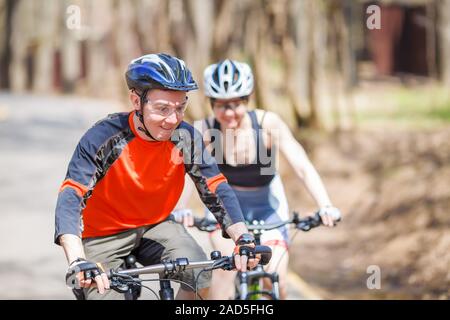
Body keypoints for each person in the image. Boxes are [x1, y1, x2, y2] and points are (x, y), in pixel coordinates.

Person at [54, 53, 260, 300]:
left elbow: (215, 186)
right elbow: (72, 195)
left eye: (181, 108)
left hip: (157, 224)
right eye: (162, 109)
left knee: (201, 272)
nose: (173, 120)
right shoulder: (102, 137)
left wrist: (243, 237)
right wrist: (76, 259)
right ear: (136, 101)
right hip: (103, 234)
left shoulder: (186, 137)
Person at [173, 59, 341, 299]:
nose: (229, 113)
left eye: (235, 104)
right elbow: (189, 175)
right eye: (221, 105)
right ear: (211, 104)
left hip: (267, 207)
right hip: (227, 212)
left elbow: (301, 165)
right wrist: (180, 210)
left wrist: (325, 204)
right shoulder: (205, 130)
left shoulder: (267, 124)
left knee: (275, 278)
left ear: (247, 101)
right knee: (224, 271)